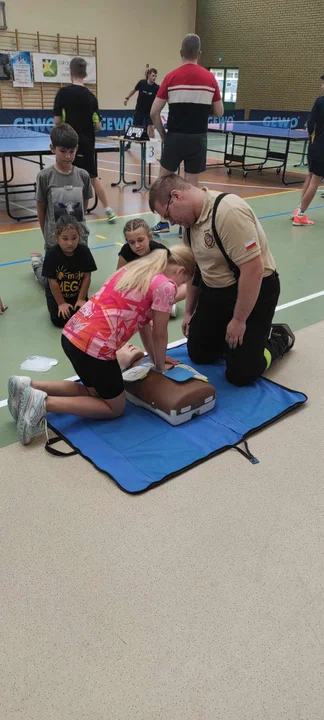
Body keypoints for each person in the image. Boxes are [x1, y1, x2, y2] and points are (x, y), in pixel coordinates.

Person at [8, 245, 195, 445]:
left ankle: (28, 386)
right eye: (182, 282)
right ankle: (43, 403)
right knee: (115, 408)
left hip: (73, 334)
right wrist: (160, 368)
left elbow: (145, 329)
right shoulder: (165, 285)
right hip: (95, 348)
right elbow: (160, 333)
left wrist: (157, 360)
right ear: (180, 271)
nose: (178, 286)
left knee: (93, 393)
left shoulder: (136, 271)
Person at [149, 173, 295, 387]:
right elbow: (194, 269)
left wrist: (238, 321)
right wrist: (189, 311)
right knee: (200, 354)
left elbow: (253, 270)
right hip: (217, 289)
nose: (170, 222)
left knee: (241, 373)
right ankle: (237, 338)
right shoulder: (189, 223)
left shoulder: (228, 212)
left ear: (176, 196)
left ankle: (276, 337)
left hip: (254, 288)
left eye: (168, 215)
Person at [150, 34, 223, 234]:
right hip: (197, 138)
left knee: (163, 181)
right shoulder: (210, 78)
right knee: (192, 185)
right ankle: (188, 228)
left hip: (175, 137)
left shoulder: (171, 77)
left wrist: (165, 136)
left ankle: (163, 223)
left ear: (181, 53)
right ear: (199, 53)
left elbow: (154, 112)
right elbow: (219, 112)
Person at [53, 56, 116, 221]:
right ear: (85, 73)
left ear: (70, 73)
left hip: (68, 144)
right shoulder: (91, 97)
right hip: (87, 143)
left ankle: (69, 213)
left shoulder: (63, 94)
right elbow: (98, 126)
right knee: (92, 177)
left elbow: (58, 121)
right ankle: (108, 209)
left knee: (66, 176)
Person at [30, 124, 93, 285]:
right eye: (63, 151)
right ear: (53, 148)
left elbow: (84, 205)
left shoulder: (83, 175)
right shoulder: (45, 176)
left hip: (78, 237)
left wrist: (78, 228)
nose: (67, 156)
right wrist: (46, 233)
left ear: (76, 149)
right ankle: (37, 265)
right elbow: (41, 207)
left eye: (72, 151)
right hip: (54, 238)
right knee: (52, 284)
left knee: (77, 281)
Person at [117, 217, 187, 317]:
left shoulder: (160, 251)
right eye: (131, 242)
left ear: (149, 237)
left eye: (140, 240)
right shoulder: (126, 251)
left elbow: (170, 281)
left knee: (187, 287)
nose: (136, 245)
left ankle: (161, 305)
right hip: (138, 291)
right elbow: (119, 277)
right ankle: (157, 308)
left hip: (158, 290)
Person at [42, 215, 97, 328]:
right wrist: (61, 303)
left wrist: (81, 299)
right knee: (59, 321)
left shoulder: (84, 252)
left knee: (83, 319)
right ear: (56, 238)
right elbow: (53, 282)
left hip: (76, 293)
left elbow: (87, 277)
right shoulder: (52, 254)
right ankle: (37, 265)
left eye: (74, 238)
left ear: (79, 236)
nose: (70, 243)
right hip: (56, 290)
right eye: (65, 239)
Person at [293, 75, 324, 225]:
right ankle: (300, 215)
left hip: (314, 145)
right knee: (315, 181)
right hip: (322, 148)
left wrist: (314, 138)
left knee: (310, 176)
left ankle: (299, 208)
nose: (322, 86)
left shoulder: (319, 101)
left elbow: (310, 124)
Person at [124, 68, 159, 145]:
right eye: (153, 75)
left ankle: (151, 146)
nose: (154, 78)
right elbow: (134, 90)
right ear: (149, 75)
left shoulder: (157, 87)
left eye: (156, 76)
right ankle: (128, 144)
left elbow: (159, 99)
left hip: (150, 111)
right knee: (134, 128)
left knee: (151, 128)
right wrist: (127, 98)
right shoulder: (141, 83)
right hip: (139, 110)